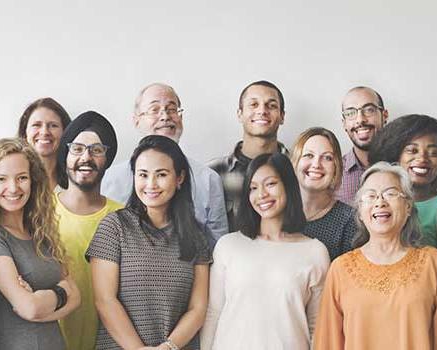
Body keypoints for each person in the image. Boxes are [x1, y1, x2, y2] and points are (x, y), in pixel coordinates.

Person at [314, 162, 437, 350]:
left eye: (391, 193)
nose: (380, 202)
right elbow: (328, 343)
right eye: (370, 196)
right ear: (360, 211)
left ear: (408, 206)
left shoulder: (433, 263)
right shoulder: (341, 268)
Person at [0, 138, 80, 350]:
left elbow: (77, 299)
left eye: (22, 177)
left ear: (33, 181)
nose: (13, 188)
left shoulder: (40, 232)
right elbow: (29, 307)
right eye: (1, 179)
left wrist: (45, 305)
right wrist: (61, 293)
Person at [89, 135, 211, 350]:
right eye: (143, 175)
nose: (151, 184)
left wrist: (168, 347)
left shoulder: (196, 235)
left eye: (161, 174)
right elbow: (105, 300)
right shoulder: (114, 226)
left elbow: (198, 308)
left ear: (179, 177)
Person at [201, 153, 329, 349]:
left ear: (288, 185)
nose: (261, 194)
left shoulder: (314, 252)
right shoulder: (229, 246)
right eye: (253, 188)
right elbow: (213, 313)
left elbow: (317, 326)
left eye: (270, 184)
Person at [101, 82, 228, 245]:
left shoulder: (208, 179)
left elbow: (217, 246)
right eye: (155, 110)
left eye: (172, 109)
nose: (165, 116)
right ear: (136, 120)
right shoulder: (110, 179)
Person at [53, 111, 124, 350]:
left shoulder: (123, 217)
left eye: (96, 150)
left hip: (107, 341)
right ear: (65, 154)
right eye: (77, 148)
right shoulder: (40, 212)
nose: (86, 157)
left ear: (108, 158)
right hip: (49, 338)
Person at [369, 114, 437, 284]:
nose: (422, 159)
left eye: (433, 153)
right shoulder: (377, 204)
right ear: (395, 155)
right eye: (412, 150)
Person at [208, 80, 290, 233]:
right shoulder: (214, 172)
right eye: (253, 104)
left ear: (282, 116)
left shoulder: (298, 167)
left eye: (271, 105)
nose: (262, 111)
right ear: (240, 114)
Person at [290, 127, 357, 260]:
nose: (316, 164)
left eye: (327, 158)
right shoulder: (276, 212)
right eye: (309, 155)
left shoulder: (350, 221)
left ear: (336, 167)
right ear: (295, 162)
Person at [335, 86, 389, 205]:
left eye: (369, 110)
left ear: (384, 116)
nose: (360, 120)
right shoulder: (334, 172)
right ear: (344, 123)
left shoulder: (402, 167)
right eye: (350, 113)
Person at [18, 97, 72, 191]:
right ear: (24, 132)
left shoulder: (75, 181)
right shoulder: (14, 182)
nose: (44, 132)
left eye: (53, 125)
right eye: (36, 125)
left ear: (65, 132)